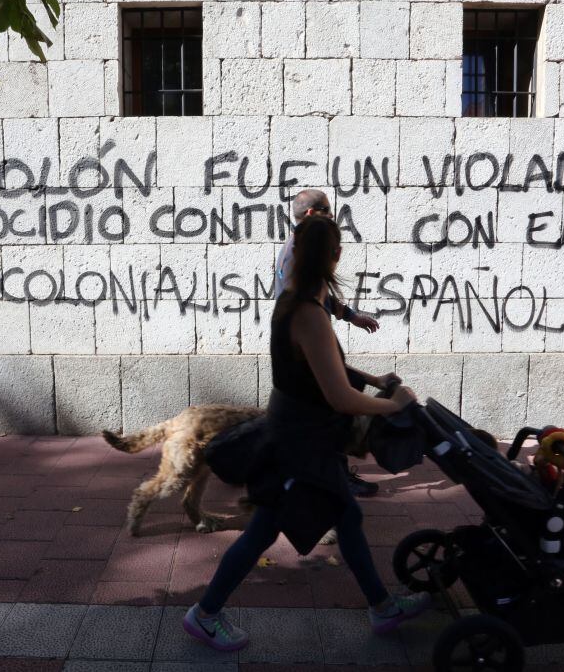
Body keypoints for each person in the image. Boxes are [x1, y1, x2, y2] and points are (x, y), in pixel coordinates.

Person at [183, 215, 431, 652]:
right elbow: (339, 396)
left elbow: (323, 367)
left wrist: (374, 380)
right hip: (298, 443)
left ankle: (381, 606)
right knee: (263, 530)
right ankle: (205, 614)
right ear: (336, 256)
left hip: (301, 435)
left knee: (347, 517)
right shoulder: (308, 314)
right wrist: (394, 404)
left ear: (296, 252)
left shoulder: (297, 302)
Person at [276, 188, 383, 497]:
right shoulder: (303, 280)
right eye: (327, 210)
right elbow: (341, 397)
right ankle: (335, 476)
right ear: (311, 214)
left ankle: (332, 474)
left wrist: (350, 315)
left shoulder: (300, 255)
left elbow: (320, 291)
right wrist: (391, 405)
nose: (333, 217)